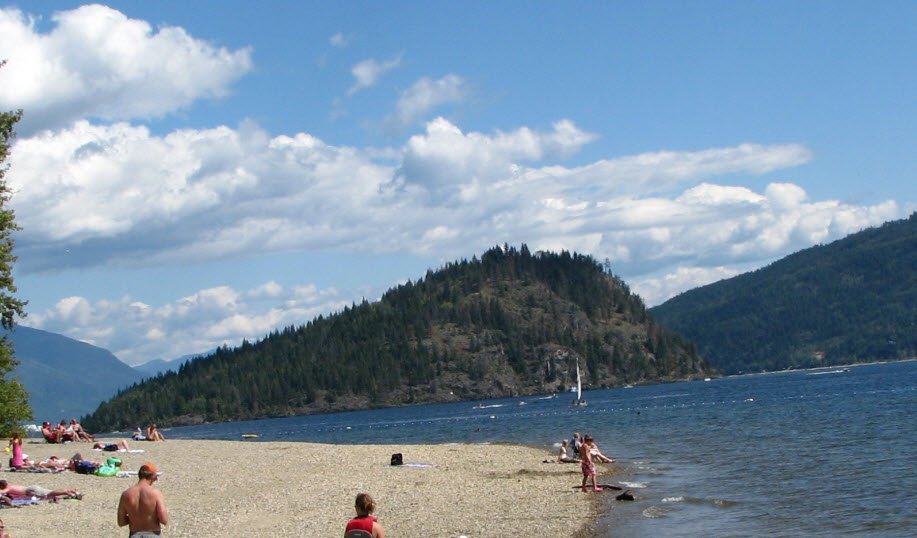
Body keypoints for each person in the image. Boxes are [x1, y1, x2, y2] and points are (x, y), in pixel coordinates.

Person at [118, 463, 168, 537]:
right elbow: (164, 520)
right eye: (156, 476)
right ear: (152, 476)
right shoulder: (155, 493)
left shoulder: (126, 494)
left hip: (134, 534)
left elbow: (121, 522)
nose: (156, 479)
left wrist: (134, 518)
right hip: (153, 534)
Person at [0, 479, 82, 501]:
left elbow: (2, 492)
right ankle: (72, 491)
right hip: (31, 488)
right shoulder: (10, 485)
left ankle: (69, 492)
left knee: (50, 493)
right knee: (51, 492)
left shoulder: (8, 488)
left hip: (31, 490)